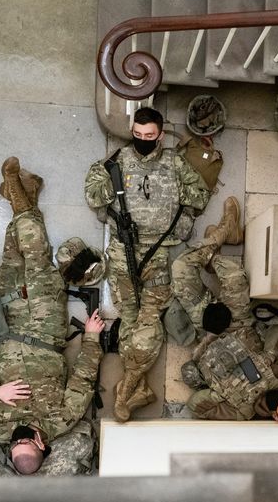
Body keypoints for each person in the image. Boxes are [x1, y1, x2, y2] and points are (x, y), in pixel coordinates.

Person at [0, 157, 104, 475]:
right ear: (42, 445)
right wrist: (91, 338)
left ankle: (24, 195)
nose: (18, 438)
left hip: (5, 325)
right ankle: (16, 190)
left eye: (15, 445)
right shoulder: (60, 420)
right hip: (46, 327)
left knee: (11, 260)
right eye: (25, 441)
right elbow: (83, 379)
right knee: (37, 256)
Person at [84, 107, 210, 422]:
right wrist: (115, 186)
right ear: (132, 132)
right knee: (128, 317)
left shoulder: (174, 163)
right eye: (138, 135)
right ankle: (135, 387)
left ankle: (128, 387)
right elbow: (93, 196)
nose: (143, 140)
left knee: (150, 319)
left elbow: (200, 196)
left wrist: (173, 191)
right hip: (122, 250)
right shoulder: (115, 162)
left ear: (160, 135)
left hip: (160, 252)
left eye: (149, 135)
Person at [172, 197, 278, 423]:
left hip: (206, 333)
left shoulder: (240, 412)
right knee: (234, 275)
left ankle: (218, 240)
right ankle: (221, 241)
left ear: (277, 417)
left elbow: (196, 406)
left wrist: (217, 392)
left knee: (180, 267)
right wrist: (268, 356)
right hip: (237, 322)